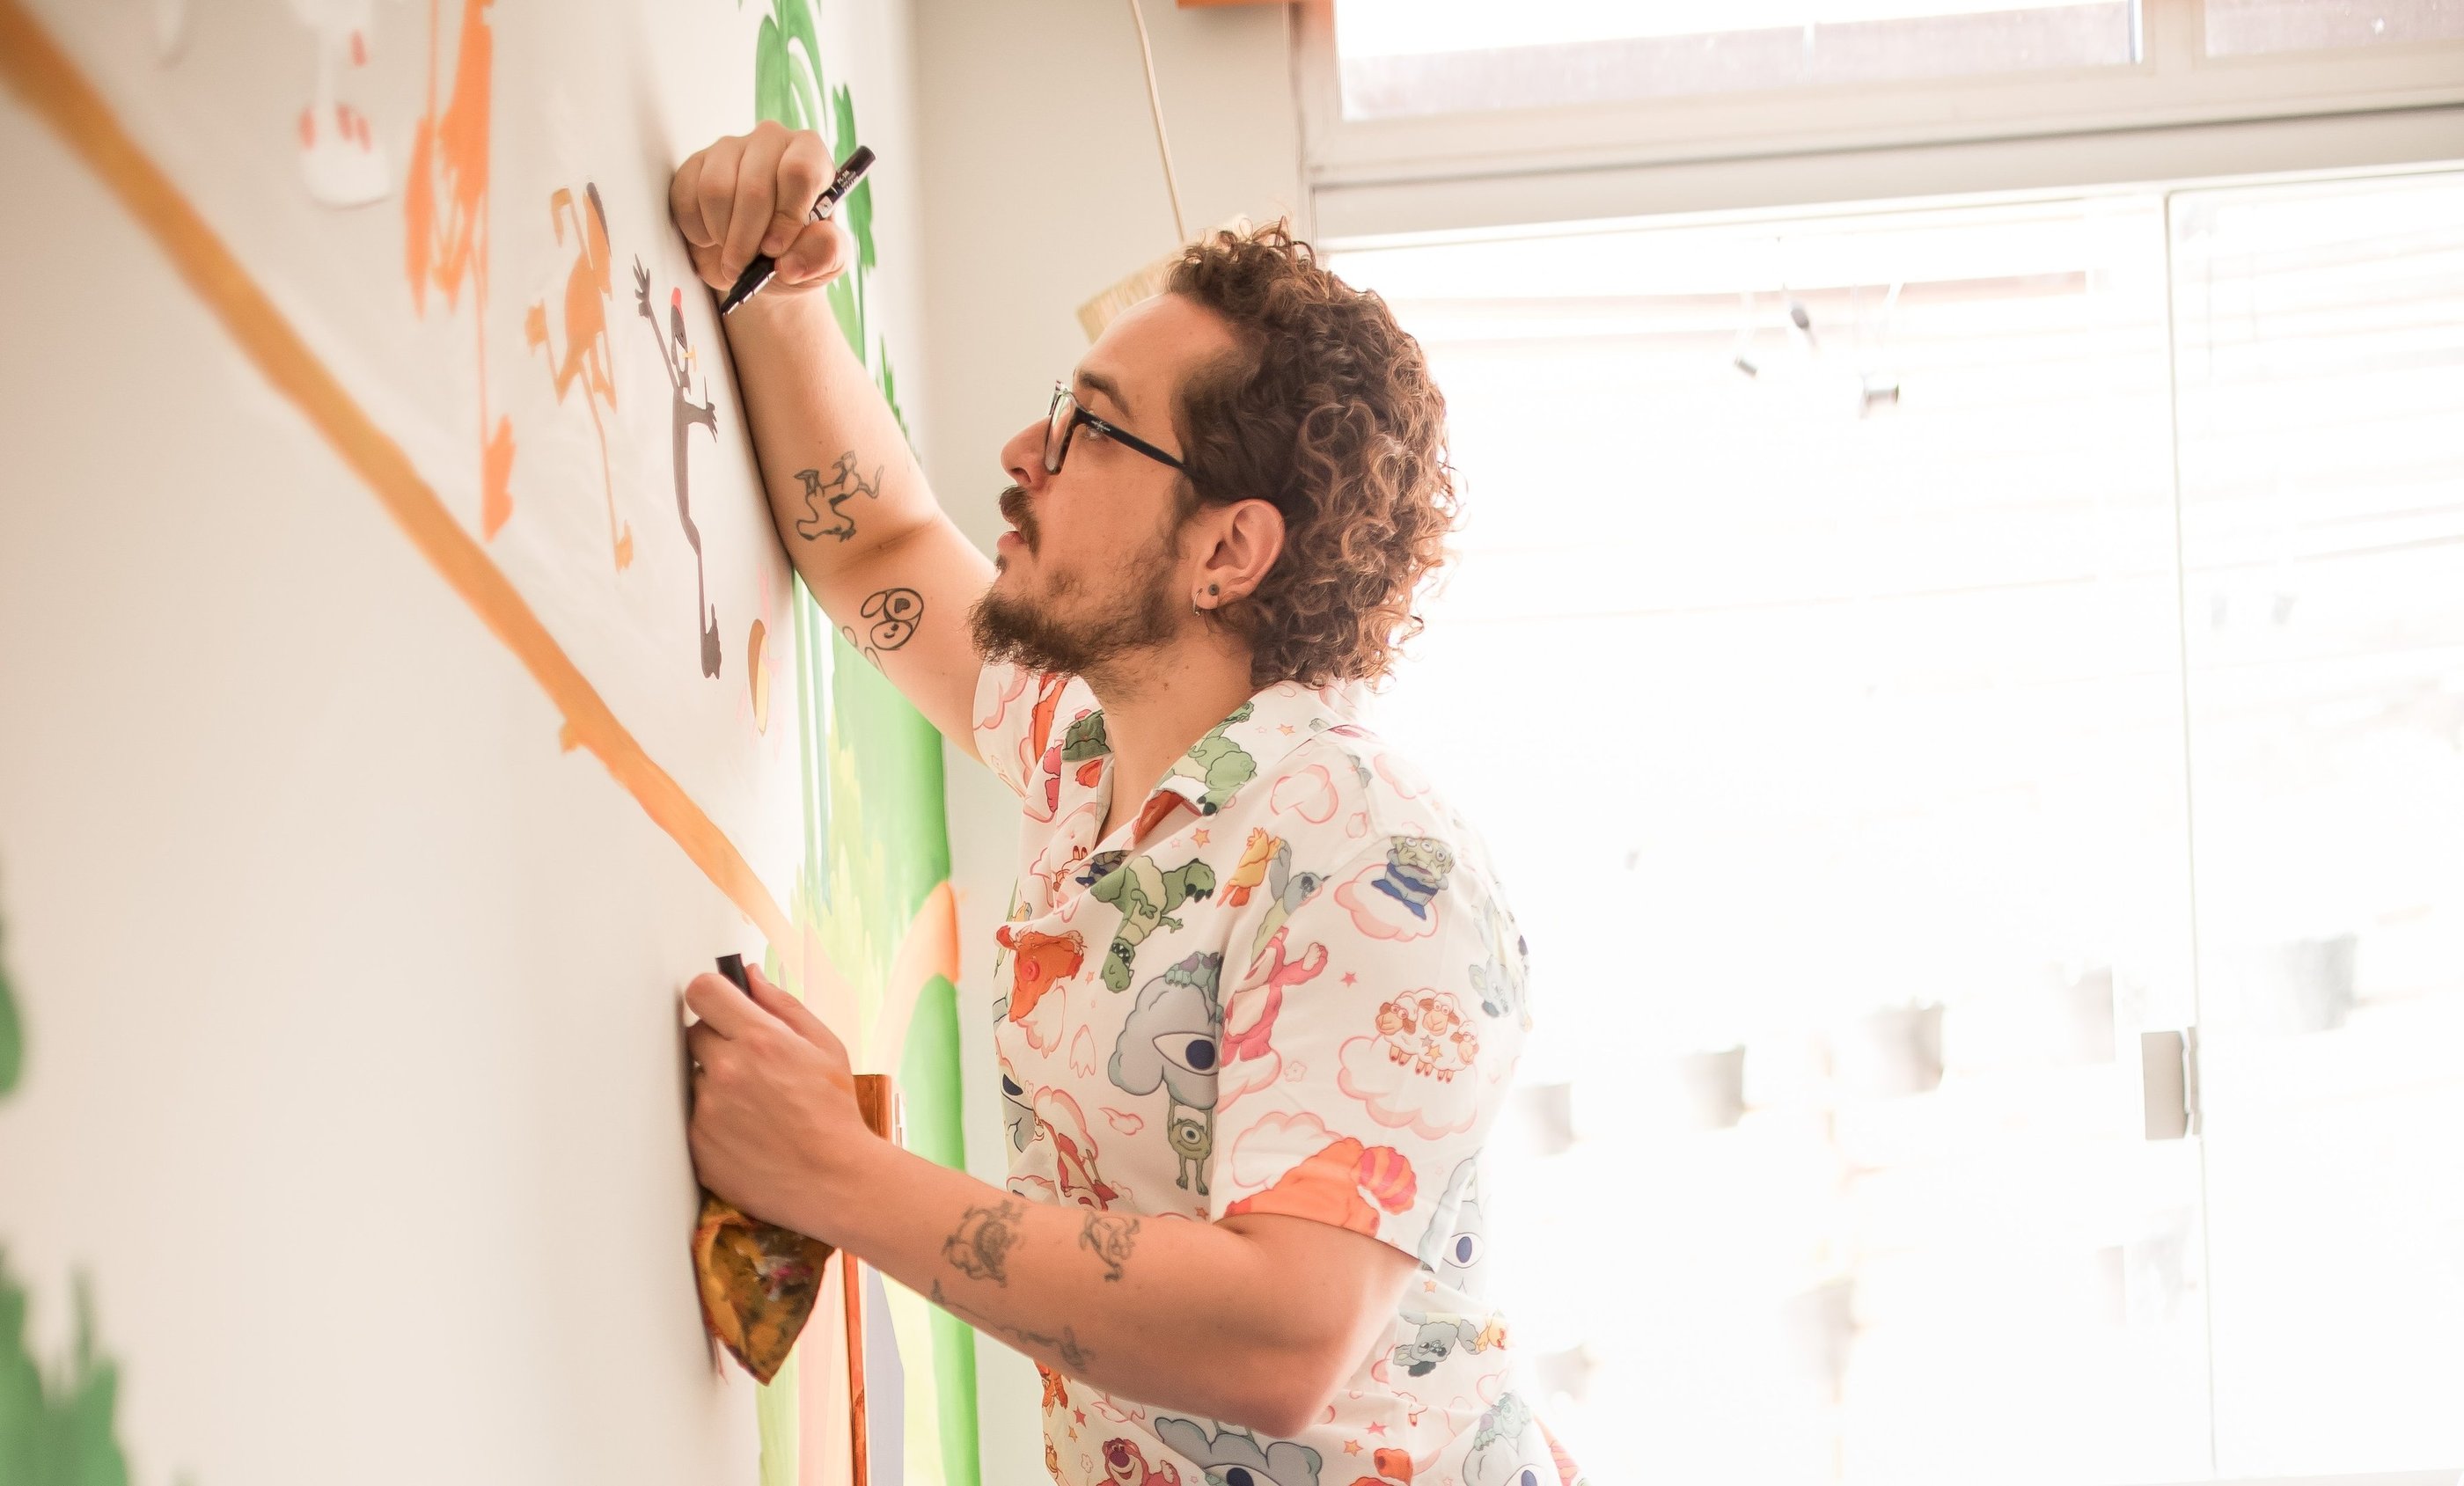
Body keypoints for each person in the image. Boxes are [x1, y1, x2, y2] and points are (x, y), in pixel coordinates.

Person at [671, 121, 1580, 1486]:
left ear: (1229, 548)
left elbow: (1281, 1334)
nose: (1023, 451)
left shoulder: (1372, 851)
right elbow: (878, 548)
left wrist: (832, 1171)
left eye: (1089, 428)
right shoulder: (1093, 755)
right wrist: (772, 289)